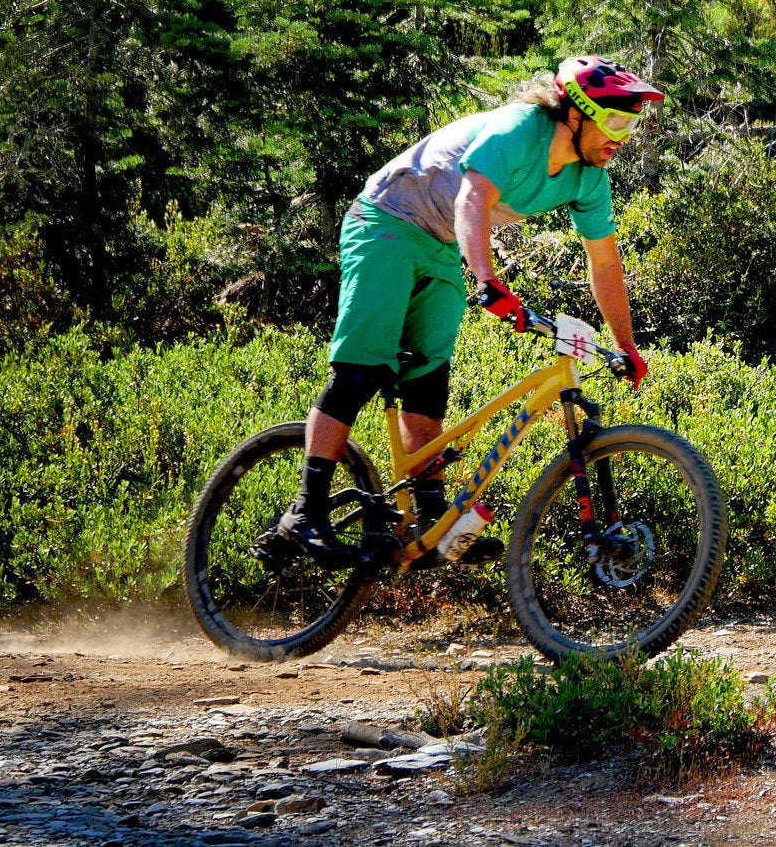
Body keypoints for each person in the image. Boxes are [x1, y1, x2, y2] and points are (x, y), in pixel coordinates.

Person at [275, 56, 664, 564]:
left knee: (428, 380)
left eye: (631, 124)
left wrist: (626, 344)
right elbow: (472, 200)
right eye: (615, 121)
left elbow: (605, 265)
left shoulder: (588, 178)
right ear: (576, 113)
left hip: (439, 245)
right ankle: (305, 511)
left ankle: (432, 519)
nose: (624, 135)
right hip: (386, 221)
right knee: (362, 369)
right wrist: (487, 281)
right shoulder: (517, 130)